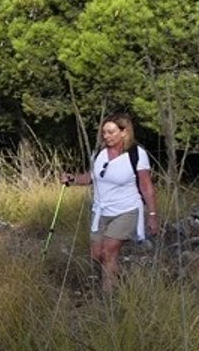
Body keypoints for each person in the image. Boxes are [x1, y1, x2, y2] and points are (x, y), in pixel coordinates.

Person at [61, 113, 160, 292]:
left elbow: (146, 186)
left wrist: (152, 215)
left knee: (108, 252)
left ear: (124, 132)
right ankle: (122, 281)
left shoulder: (136, 154)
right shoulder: (99, 152)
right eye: (104, 132)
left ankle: (108, 298)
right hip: (100, 211)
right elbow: (93, 177)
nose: (106, 136)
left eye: (111, 132)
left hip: (127, 210)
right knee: (97, 255)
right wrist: (72, 179)